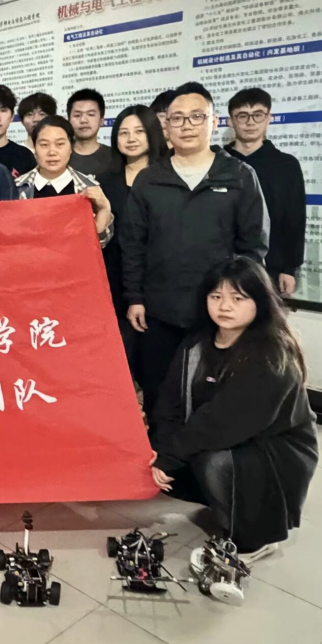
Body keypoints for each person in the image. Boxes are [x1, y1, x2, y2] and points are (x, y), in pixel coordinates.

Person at [150, 257, 317, 575]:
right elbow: (170, 403)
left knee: (214, 462)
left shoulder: (271, 355)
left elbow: (223, 420)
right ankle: (227, 505)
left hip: (275, 452)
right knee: (172, 459)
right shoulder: (197, 344)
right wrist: (161, 450)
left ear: (259, 302)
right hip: (224, 438)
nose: (224, 306)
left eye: (238, 298)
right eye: (216, 296)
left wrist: (171, 455)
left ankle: (256, 540)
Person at [119, 82, 269, 427]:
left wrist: (239, 302)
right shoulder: (149, 179)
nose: (186, 125)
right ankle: (162, 454)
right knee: (159, 393)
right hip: (159, 310)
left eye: (196, 117)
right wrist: (135, 297)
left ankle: (207, 457)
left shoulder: (239, 176)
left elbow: (253, 247)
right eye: (177, 118)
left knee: (215, 395)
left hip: (218, 311)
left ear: (213, 122)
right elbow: (133, 243)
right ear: (166, 127)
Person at [99, 105, 169, 369]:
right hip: (114, 279)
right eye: (123, 132)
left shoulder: (168, 179)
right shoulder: (104, 182)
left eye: (139, 131)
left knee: (155, 359)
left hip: (158, 280)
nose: (131, 138)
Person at [224, 88, 306, 298]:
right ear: (230, 121)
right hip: (221, 264)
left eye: (258, 115)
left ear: (269, 118)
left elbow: (294, 219)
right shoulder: (218, 162)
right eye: (242, 116)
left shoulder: (286, 165)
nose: (250, 122)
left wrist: (289, 268)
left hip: (270, 266)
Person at [14, 115, 113, 247]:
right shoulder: (18, 187)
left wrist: (104, 209)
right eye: (44, 145)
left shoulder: (89, 187)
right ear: (35, 148)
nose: (52, 152)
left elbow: (100, 244)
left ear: (71, 147)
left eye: (60, 144)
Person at [65, 88, 114, 177]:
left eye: (91, 114)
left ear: (102, 120)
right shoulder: (58, 156)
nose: (83, 120)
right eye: (77, 115)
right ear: (68, 120)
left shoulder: (116, 157)